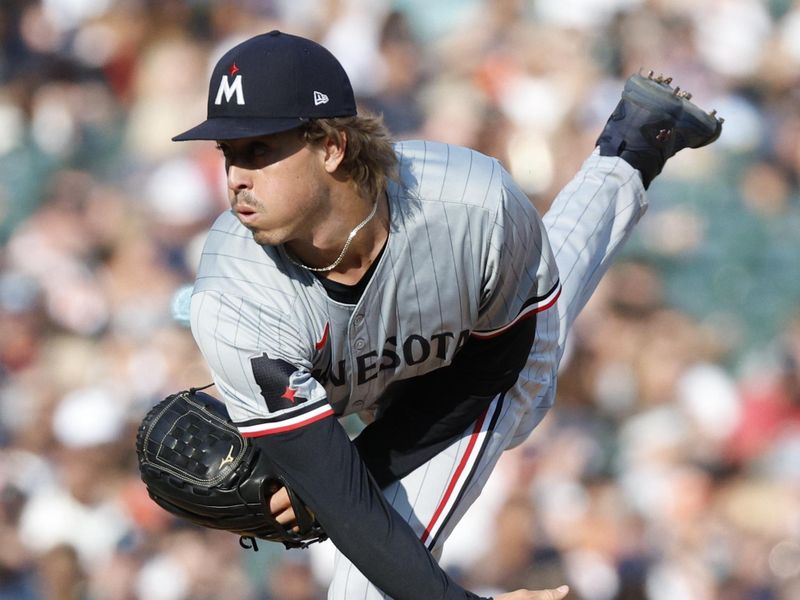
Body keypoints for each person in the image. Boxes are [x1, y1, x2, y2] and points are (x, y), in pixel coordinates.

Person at [170, 30, 721, 600]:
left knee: (364, 589)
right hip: (396, 373)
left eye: (258, 150)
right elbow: (337, 495)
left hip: (482, 364)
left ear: (332, 146)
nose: (235, 177)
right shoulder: (231, 295)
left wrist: (347, 480)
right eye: (228, 154)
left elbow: (484, 380)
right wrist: (328, 482)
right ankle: (634, 145)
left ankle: (632, 150)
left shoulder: (474, 205)